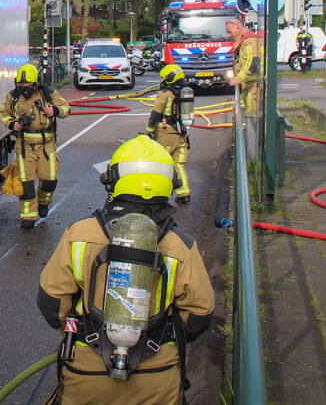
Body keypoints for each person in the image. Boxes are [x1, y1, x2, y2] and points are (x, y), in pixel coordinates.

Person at [37, 136, 215, 404]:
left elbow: (51, 303)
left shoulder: (79, 235)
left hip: (87, 374)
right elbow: (200, 313)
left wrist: (85, 332)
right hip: (158, 378)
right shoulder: (182, 246)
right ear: (169, 183)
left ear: (114, 180)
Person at [0, 63, 70, 228]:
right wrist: (11, 124)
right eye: (21, 85)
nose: (24, 88)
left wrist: (55, 111)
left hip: (46, 146)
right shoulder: (13, 97)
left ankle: (43, 203)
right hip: (24, 147)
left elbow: (66, 108)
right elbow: (3, 113)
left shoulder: (48, 94)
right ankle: (28, 217)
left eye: (27, 85)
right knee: (26, 184)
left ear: (36, 82)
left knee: (50, 180)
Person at [144, 64, 192, 204]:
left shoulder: (165, 93)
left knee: (160, 162)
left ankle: (155, 194)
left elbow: (156, 113)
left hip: (167, 132)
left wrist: (149, 130)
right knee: (178, 164)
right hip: (182, 133)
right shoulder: (186, 91)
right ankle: (184, 193)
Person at [225, 18, 262, 114]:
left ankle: (251, 129)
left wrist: (238, 78)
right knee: (249, 113)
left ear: (238, 27)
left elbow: (253, 63)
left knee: (253, 115)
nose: (229, 35)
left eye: (230, 32)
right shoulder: (243, 41)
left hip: (254, 86)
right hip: (249, 85)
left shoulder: (250, 41)